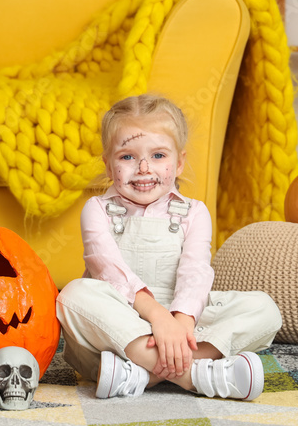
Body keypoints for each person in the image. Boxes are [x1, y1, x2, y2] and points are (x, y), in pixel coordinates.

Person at [56, 94, 281, 401]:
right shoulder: (97, 209)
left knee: (264, 309)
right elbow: (108, 270)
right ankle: (196, 375)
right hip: (121, 321)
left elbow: (196, 270)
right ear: (109, 165)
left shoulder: (194, 212)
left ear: (180, 162)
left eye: (159, 155)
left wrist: (180, 322)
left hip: (183, 325)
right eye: (127, 157)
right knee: (72, 295)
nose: (144, 168)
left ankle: (141, 374)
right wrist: (158, 319)